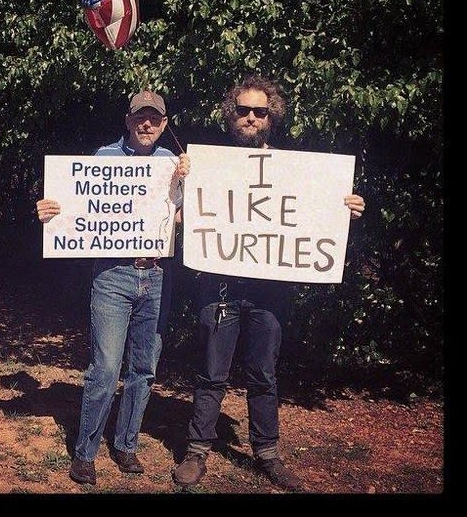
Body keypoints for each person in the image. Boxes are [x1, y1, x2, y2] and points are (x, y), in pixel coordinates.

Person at [172, 74, 365, 492]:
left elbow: (314, 215)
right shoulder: (208, 165)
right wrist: (180, 181)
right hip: (219, 287)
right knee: (211, 373)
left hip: (269, 291)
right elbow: (181, 218)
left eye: (260, 111)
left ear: (271, 116)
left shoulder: (295, 171)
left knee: (263, 374)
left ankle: (267, 453)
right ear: (231, 114)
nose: (251, 118)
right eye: (243, 110)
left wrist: (342, 208)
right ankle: (197, 450)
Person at [37, 90, 190, 486]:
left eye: (154, 119)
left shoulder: (173, 164)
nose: (146, 124)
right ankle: (85, 454)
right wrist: (49, 210)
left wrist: (192, 185)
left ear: (164, 124)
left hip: (157, 276)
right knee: (105, 369)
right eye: (140, 117)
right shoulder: (104, 158)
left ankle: (125, 445)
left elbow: (195, 217)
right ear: (128, 120)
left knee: (143, 368)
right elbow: (74, 204)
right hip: (113, 275)